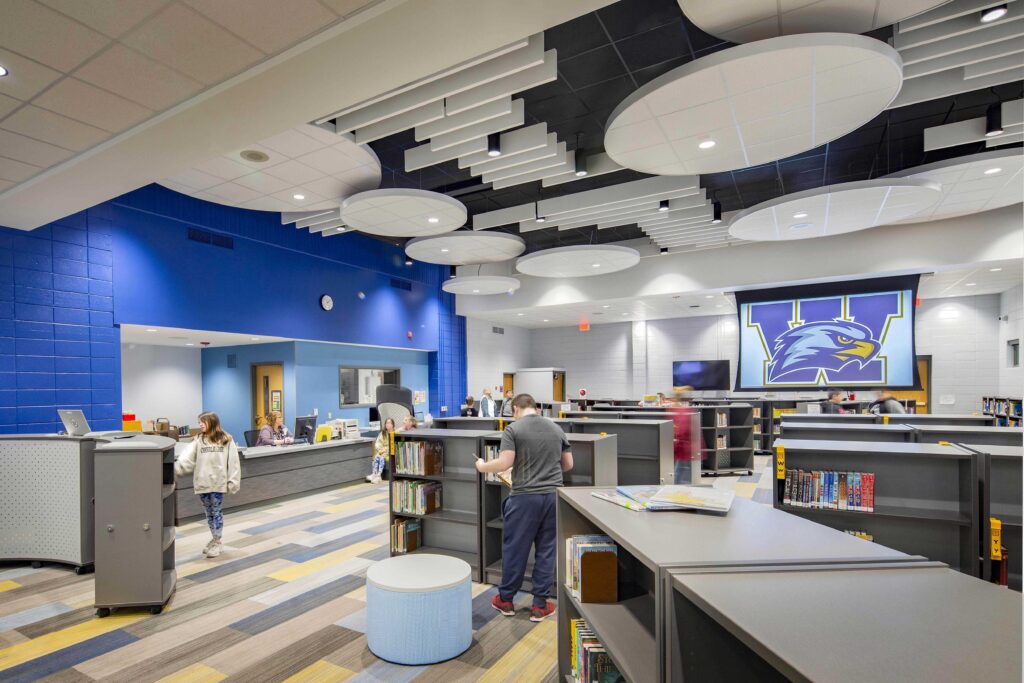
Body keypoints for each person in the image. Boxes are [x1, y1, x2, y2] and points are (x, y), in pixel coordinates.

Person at [476, 393, 572, 622]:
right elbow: (568, 464)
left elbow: (505, 462)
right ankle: (540, 605)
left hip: (524, 498)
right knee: (547, 551)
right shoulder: (557, 429)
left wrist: (482, 466)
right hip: (553, 497)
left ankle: (506, 600)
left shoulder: (514, 430)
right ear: (536, 407)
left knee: (515, 550)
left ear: (517, 408)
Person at [174, 412, 241, 558]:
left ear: (211, 422)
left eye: (202, 422)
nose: (200, 425)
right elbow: (187, 459)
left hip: (218, 483)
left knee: (216, 511)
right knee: (209, 513)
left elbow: (234, 462)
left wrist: (233, 481)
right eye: (199, 422)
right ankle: (215, 538)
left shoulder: (226, 439)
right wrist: (175, 471)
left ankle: (217, 542)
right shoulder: (198, 440)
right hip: (202, 483)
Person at [666, 387, 697, 484]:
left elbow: (683, 429)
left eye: (671, 398)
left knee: (680, 470)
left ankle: (676, 487)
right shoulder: (675, 410)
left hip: (684, 446)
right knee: (681, 469)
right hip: (682, 446)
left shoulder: (681, 411)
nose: (670, 400)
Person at [369, 417, 394, 484]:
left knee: (381, 457)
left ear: (392, 425)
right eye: (386, 423)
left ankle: (378, 475)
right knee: (377, 457)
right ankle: (375, 474)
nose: (388, 424)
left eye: (389, 423)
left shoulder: (394, 433)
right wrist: (379, 449)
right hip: (381, 451)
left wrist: (385, 450)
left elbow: (392, 445)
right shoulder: (382, 433)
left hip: (389, 451)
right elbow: (377, 443)